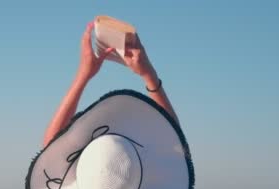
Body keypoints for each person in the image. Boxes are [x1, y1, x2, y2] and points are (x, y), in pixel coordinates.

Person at [44, 22, 178, 147]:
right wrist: (150, 75)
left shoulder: (75, 171)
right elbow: (174, 138)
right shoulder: (148, 170)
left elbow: (50, 149)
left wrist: (83, 75)